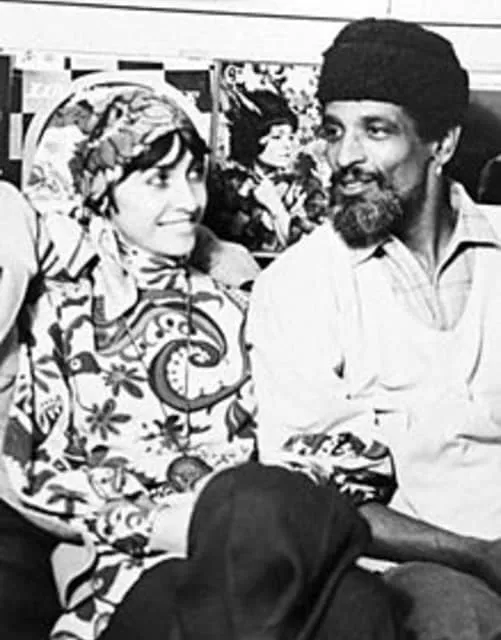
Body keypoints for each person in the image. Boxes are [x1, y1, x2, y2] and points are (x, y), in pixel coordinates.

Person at [1, 72, 400, 640]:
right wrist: (153, 522)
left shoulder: (246, 302)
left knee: (360, 606)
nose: (189, 200)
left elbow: (319, 439)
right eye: (158, 180)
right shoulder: (61, 312)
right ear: (105, 190)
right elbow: (33, 472)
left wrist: (242, 518)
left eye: (192, 175)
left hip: (261, 549)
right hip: (135, 569)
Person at [247, 17, 501, 640]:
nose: (345, 158)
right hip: (415, 572)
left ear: (442, 144)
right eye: (334, 131)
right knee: (458, 619)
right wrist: (479, 556)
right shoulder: (302, 284)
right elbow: (315, 494)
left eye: (376, 130)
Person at [205, 88, 328, 257]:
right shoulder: (229, 186)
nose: (287, 145)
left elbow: (316, 251)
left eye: (290, 137)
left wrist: (275, 207)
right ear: (253, 140)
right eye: (277, 137)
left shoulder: (305, 186)